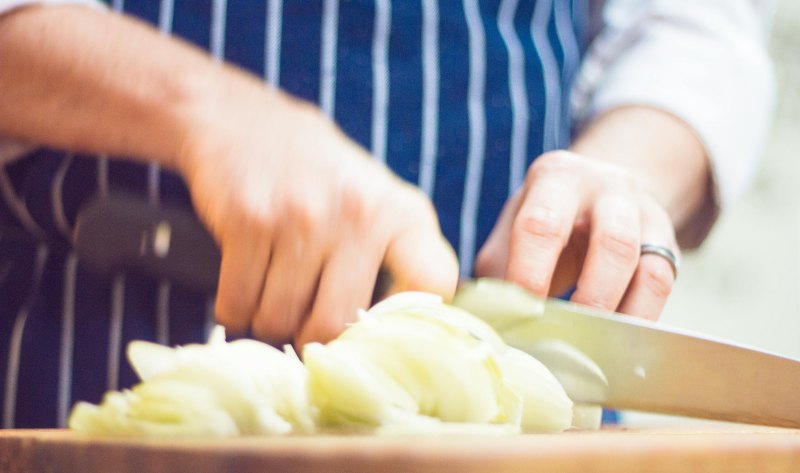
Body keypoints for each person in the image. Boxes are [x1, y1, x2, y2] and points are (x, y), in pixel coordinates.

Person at [0, 0, 774, 428]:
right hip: (73, 361)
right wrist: (204, 111)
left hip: (523, 428)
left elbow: (693, 31)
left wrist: (628, 174)